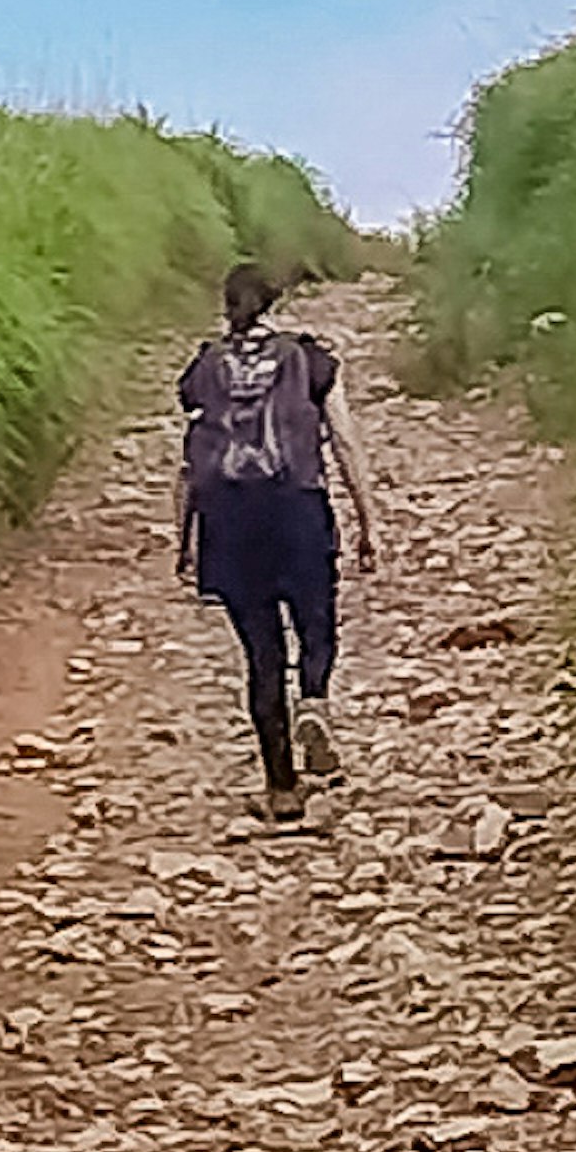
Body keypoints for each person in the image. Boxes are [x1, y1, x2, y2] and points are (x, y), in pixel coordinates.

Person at [175, 261, 377, 823]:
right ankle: (314, 699)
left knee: (262, 656)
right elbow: (345, 443)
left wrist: (183, 542)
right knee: (317, 625)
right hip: (298, 513)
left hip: (229, 522)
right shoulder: (310, 360)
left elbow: (190, 465)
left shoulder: (203, 368)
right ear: (274, 301)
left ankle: (281, 788)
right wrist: (367, 521)